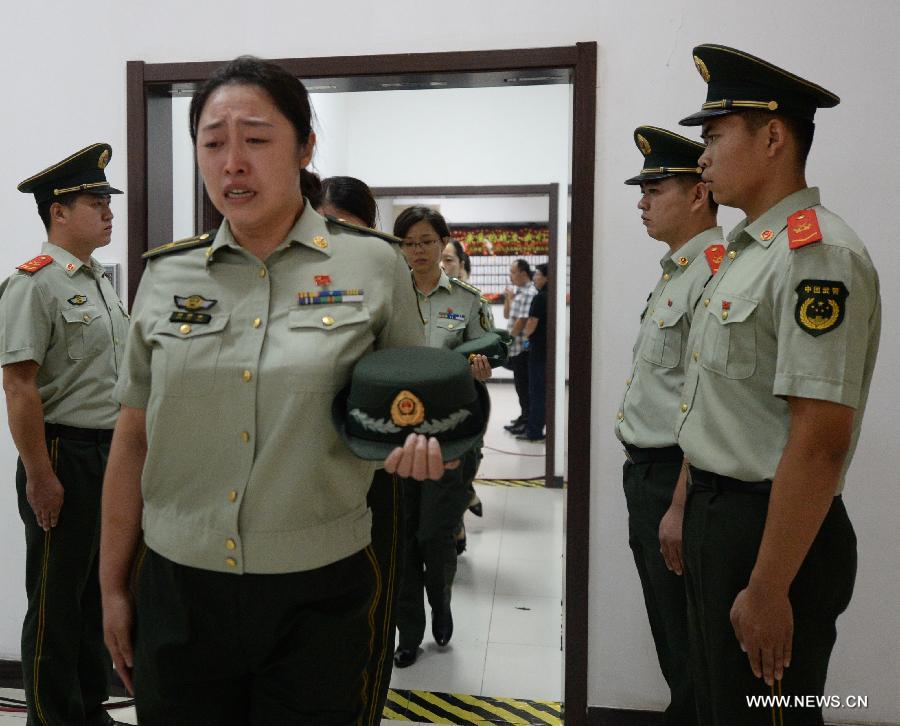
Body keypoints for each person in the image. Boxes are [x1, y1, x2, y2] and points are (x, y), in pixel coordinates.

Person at [98, 56, 450, 726]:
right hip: (180, 587)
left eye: (256, 139)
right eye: (212, 142)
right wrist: (113, 584)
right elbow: (133, 437)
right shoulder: (167, 278)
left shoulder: (374, 266)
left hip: (321, 593)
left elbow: (411, 410)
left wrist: (428, 444)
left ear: (305, 146)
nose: (232, 162)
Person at [676, 44, 881, 725]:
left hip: (770, 531)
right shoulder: (747, 253)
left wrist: (769, 586)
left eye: (713, 136)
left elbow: (820, 440)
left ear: (771, 137)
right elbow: (715, 403)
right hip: (722, 517)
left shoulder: (816, 253)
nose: (700, 156)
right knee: (721, 706)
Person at [1, 143, 128, 726]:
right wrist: (40, 475)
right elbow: (20, 388)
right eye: (95, 201)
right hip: (61, 453)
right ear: (58, 211)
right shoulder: (34, 284)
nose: (108, 211)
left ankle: (87, 708)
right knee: (54, 598)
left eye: (107, 201)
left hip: (108, 452)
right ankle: (51, 717)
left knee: (89, 593)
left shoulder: (100, 280)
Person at [615, 125, 724, 725]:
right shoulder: (678, 271)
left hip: (675, 480)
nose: (642, 201)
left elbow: (703, 404)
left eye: (655, 188)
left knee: (692, 642)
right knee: (672, 633)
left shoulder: (711, 272)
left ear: (697, 194)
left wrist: (679, 504)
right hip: (648, 474)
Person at [391, 205, 492, 668]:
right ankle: (408, 632)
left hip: (451, 437)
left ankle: (442, 601)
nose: (419, 251)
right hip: (394, 437)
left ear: (443, 243)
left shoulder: (468, 300)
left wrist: (482, 370)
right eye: (409, 243)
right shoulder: (387, 297)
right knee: (403, 536)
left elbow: (487, 354)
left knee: (435, 532)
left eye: (427, 241)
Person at [503, 259, 536, 434]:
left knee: (524, 387)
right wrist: (509, 299)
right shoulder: (519, 293)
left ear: (523, 274)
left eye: (513, 272)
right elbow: (507, 314)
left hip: (522, 349)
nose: (510, 276)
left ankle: (527, 419)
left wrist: (507, 341)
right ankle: (523, 416)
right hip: (515, 349)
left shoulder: (529, 293)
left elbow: (522, 321)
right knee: (520, 386)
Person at [521, 263, 552, 443]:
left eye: (538, 274)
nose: (535, 277)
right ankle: (536, 429)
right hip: (547, 351)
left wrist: (524, 336)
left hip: (538, 352)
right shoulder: (552, 296)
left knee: (536, 392)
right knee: (542, 392)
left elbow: (532, 323)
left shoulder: (540, 298)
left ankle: (534, 432)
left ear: (547, 277)